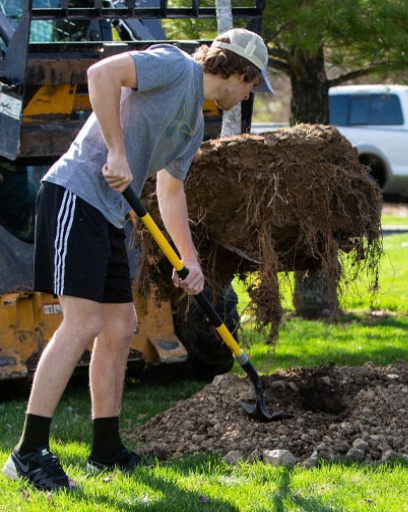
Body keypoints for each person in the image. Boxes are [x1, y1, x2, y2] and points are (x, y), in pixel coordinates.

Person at [2, 28, 273, 491]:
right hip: (76, 193)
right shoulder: (175, 66)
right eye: (252, 85)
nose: (250, 95)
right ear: (238, 71)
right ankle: (28, 453)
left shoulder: (194, 124)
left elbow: (170, 190)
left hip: (108, 213)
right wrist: (117, 150)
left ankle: (105, 450)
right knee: (82, 322)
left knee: (121, 327)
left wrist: (190, 260)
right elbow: (101, 73)